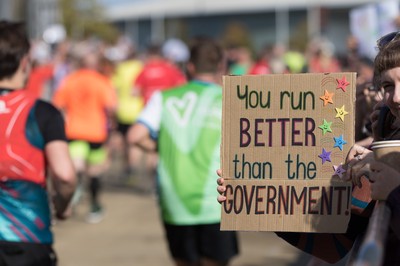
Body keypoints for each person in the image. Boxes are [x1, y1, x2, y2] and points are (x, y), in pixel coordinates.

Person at [217, 31, 400, 266]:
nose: (395, 97)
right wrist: (257, 201)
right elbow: (335, 245)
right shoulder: (378, 157)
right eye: (387, 85)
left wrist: (394, 191)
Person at [128, 37, 239, 266]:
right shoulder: (231, 99)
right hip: (216, 200)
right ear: (220, 66)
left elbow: (135, 136)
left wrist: (160, 146)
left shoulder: (164, 98)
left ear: (190, 67)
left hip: (174, 199)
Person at [0, 20, 76, 265]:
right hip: (26, 235)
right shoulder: (41, 112)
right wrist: (62, 205)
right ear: (25, 62)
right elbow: (64, 175)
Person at [53, 48, 117, 224]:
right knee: (94, 171)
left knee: (76, 168)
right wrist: (113, 127)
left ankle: (75, 194)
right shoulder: (102, 81)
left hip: (73, 131)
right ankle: (94, 206)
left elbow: (57, 105)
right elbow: (111, 108)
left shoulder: (69, 80)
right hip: (96, 132)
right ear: (96, 65)